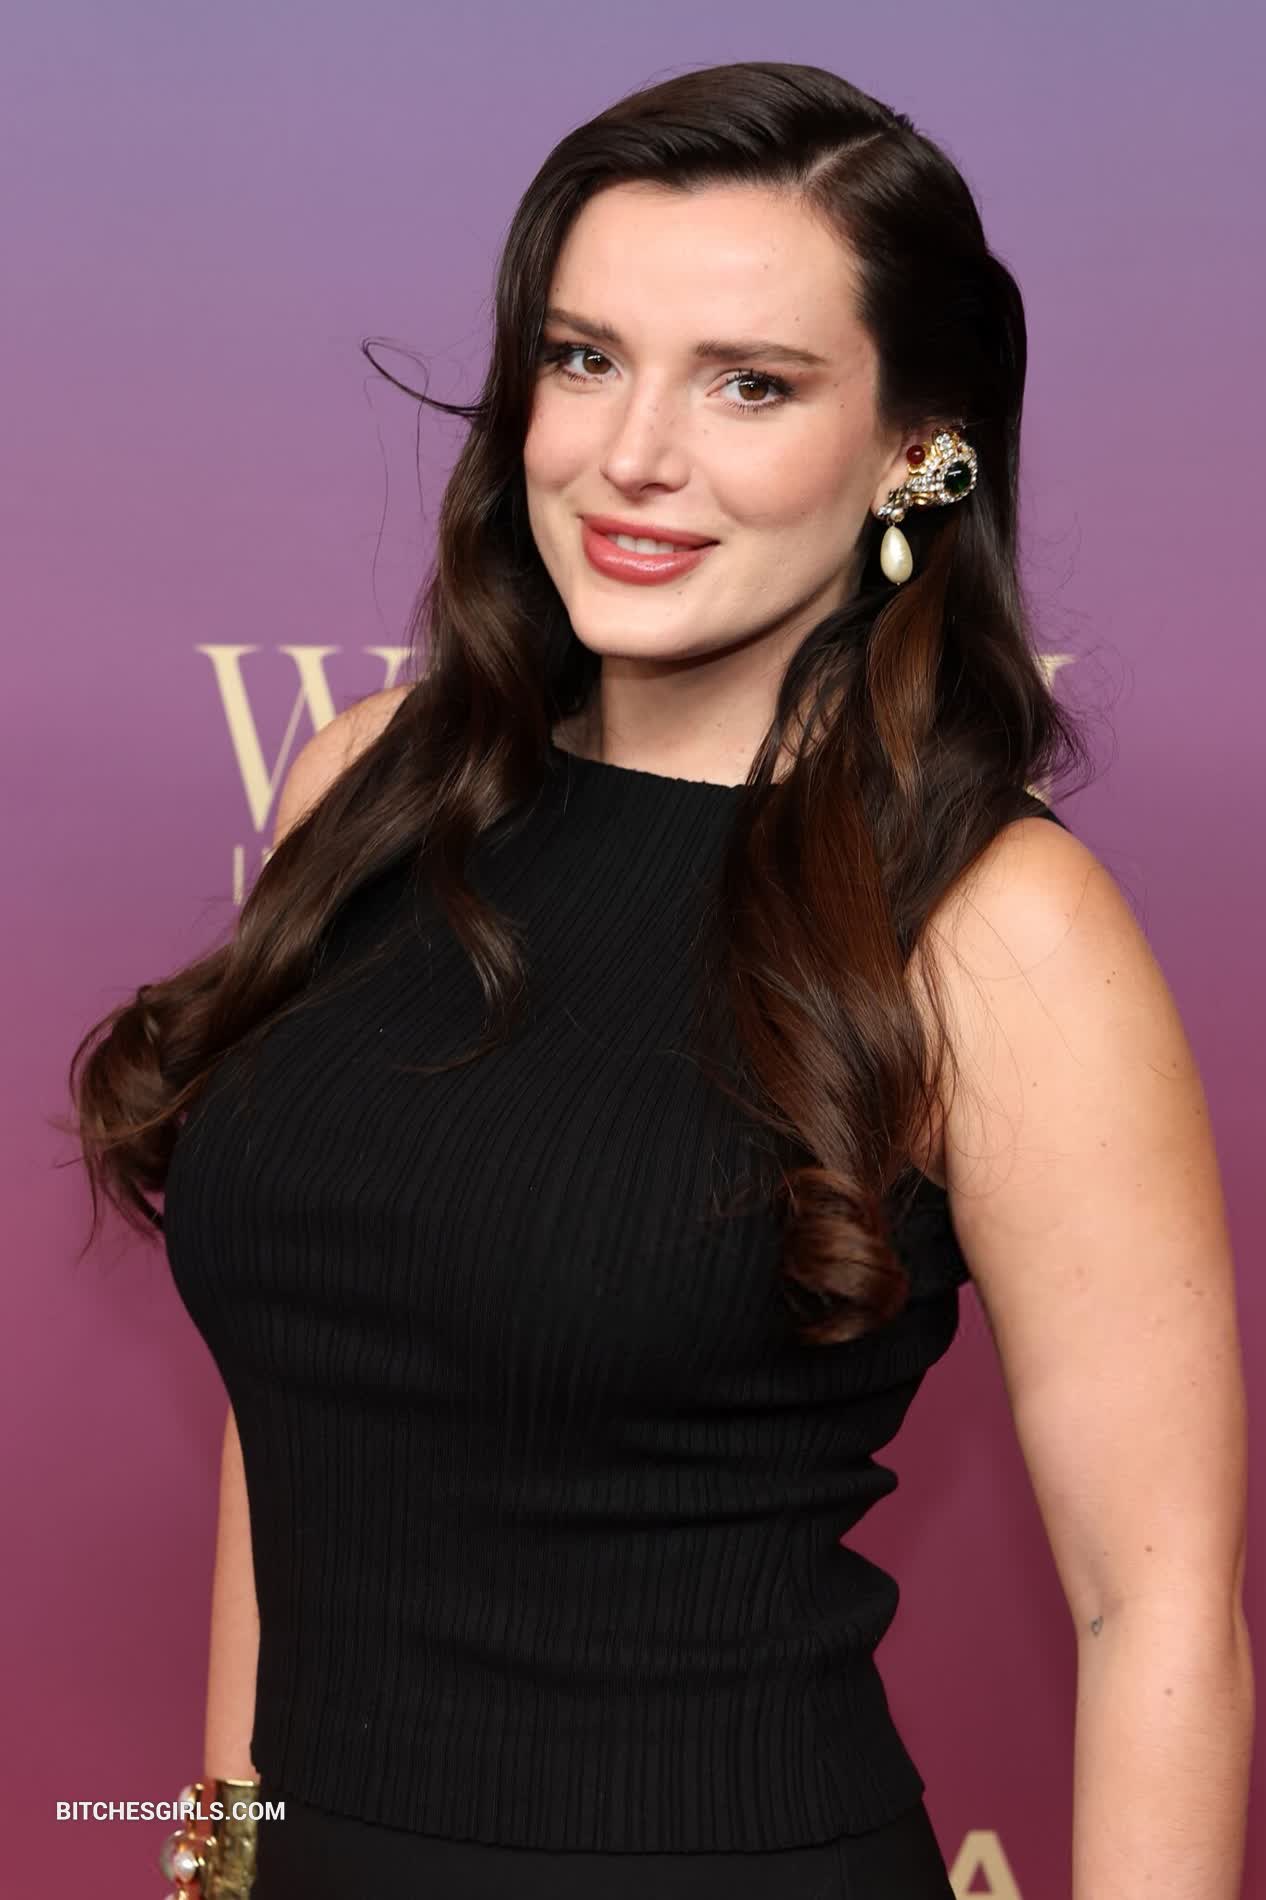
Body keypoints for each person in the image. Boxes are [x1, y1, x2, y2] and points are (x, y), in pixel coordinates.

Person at [68, 59, 1251, 1900]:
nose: (631, 455)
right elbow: (289, 1430)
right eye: (583, 357)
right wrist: (220, 1859)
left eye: (749, 383)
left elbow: (1153, 1601)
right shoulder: (367, 789)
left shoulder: (993, 923)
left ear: (914, 451)